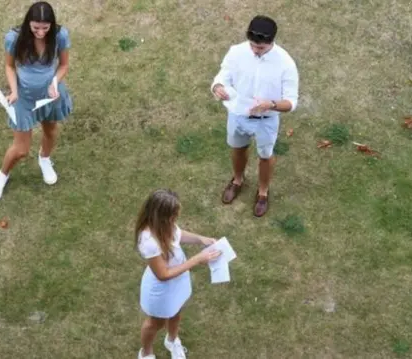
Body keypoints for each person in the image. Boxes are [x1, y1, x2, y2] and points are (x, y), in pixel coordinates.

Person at [210, 15, 299, 217]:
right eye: (252, 46)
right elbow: (222, 76)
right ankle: (237, 180)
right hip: (237, 115)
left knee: (265, 157)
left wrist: (271, 104)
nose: (255, 51)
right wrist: (218, 87)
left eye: (260, 48)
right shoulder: (236, 52)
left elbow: (292, 101)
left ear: (271, 43)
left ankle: (263, 192)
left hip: (266, 121)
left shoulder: (286, 63)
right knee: (237, 148)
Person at [0, 1, 73, 202]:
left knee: (50, 131)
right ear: (29, 24)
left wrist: (54, 82)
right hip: (23, 96)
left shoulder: (60, 35)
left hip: (49, 94)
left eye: (45, 28)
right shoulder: (14, 38)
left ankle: (44, 158)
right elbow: (9, 67)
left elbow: (64, 65)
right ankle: (2, 175)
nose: (41, 32)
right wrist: (14, 91)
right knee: (21, 149)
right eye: (36, 28)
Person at [135, 189, 222, 359]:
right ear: (161, 216)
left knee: (176, 311)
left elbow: (178, 234)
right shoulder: (149, 241)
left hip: (178, 278)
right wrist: (197, 259)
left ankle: (172, 340)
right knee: (155, 322)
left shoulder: (165, 224)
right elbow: (163, 274)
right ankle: (145, 353)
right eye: (173, 216)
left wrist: (201, 239)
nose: (175, 219)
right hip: (161, 289)